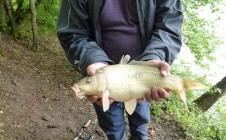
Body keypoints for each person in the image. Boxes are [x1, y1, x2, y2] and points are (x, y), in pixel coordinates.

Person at [57, 0, 183, 139]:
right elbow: (74, 34)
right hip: (101, 72)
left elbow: (169, 26)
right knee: (113, 127)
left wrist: (156, 55)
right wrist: (91, 58)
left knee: (140, 124)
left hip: (142, 78)